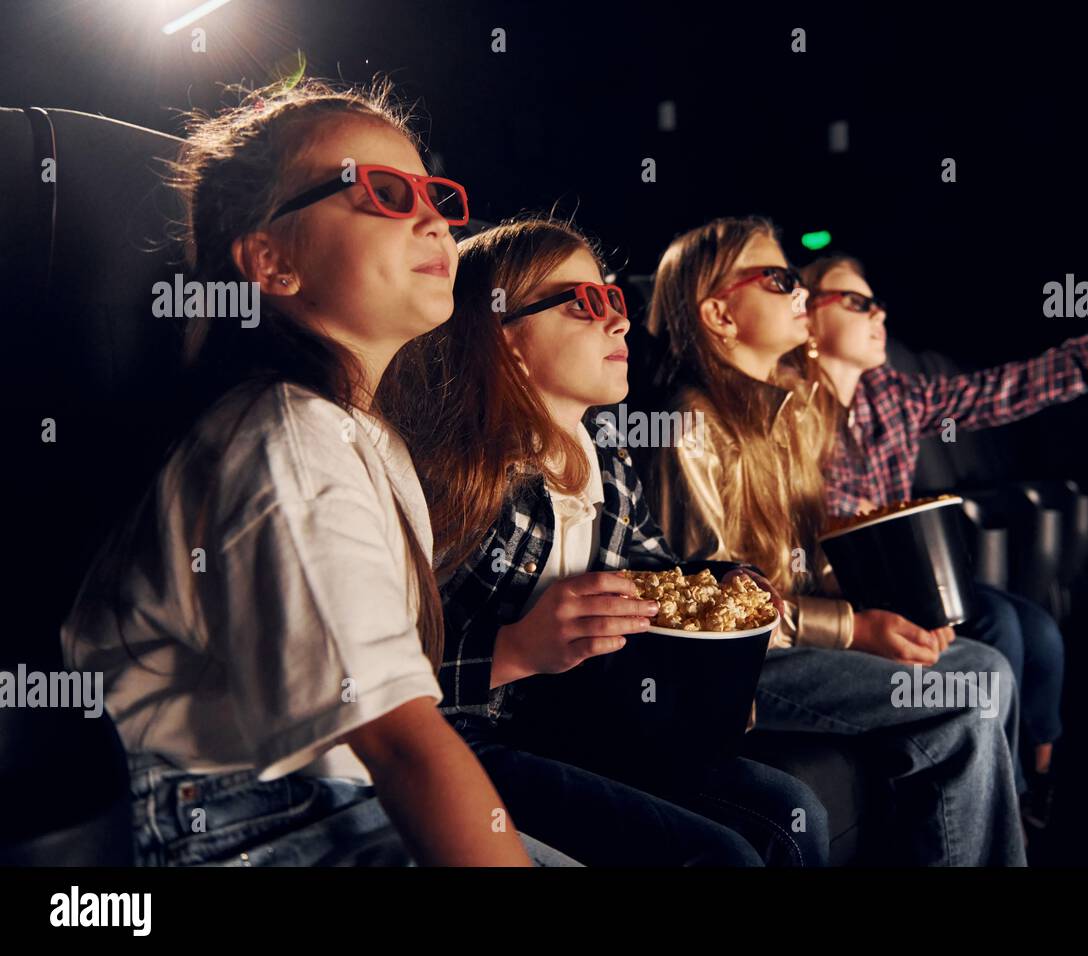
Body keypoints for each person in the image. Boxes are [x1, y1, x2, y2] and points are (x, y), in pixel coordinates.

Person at [61, 79, 562, 867]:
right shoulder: (283, 441)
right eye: (386, 192)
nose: (435, 218)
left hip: (320, 792)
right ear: (272, 261)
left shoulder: (360, 436)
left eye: (435, 192)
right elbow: (399, 744)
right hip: (221, 818)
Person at [378, 216, 830, 866]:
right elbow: (371, 672)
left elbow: (651, 563)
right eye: (585, 304)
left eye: (614, 299)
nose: (619, 321)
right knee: (720, 856)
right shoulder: (451, 474)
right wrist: (511, 650)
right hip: (463, 734)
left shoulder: (608, 456)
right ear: (505, 341)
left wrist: (720, 578)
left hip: (581, 713)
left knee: (794, 816)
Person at [645, 215, 1026, 865]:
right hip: (737, 667)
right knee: (974, 682)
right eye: (780, 279)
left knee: (980, 666)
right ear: (719, 313)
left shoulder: (788, 413)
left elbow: (811, 560)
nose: (801, 295)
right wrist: (851, 630)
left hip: (787, 634)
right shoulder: (689, 424)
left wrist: (890, 616)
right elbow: (709, 610)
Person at [803, 251, 1088, 826]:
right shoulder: (785, 406)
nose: (878, 314)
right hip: (843, 595)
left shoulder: (892, 395)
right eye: (857, 301)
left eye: (878, 302)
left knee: (1040, 631)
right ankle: (1010, 799)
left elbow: (1000, 391)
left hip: (910, 584)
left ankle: (1038, 783)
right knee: (999, 630)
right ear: (806, 314)